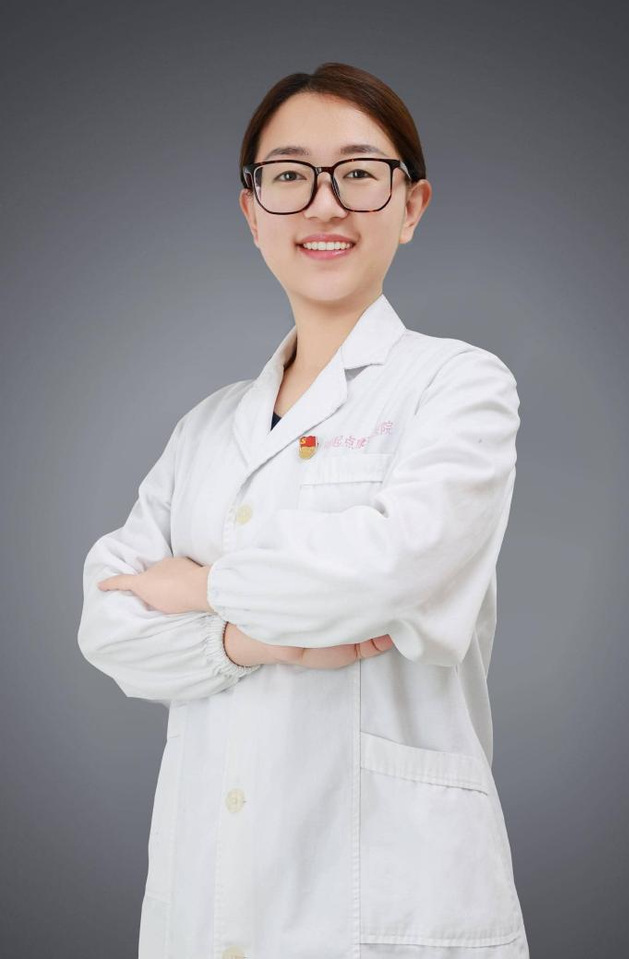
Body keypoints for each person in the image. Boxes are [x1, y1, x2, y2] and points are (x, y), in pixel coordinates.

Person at [78, 61, 530, 959]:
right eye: (289, 175)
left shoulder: (459, 386)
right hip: (204, 905)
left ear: (411, 205)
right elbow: (107, 622)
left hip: (387, 900)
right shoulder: (205, 429)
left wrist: (197, 587)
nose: (325, 204)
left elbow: (387, 571)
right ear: (253, 213)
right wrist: (250, 641)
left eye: (358, 173)